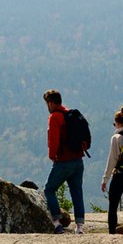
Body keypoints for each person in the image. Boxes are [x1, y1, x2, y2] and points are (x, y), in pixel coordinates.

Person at [40, 89, 91, 233]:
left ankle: (56, 223)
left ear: (50, 103)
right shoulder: (71, 114)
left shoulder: (55, 117)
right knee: (77, 192)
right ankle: (80, 227)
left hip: (64, 161)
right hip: (78, 161)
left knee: (49, 189)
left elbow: (53, 140)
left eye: (47, 104)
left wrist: (52, 156)